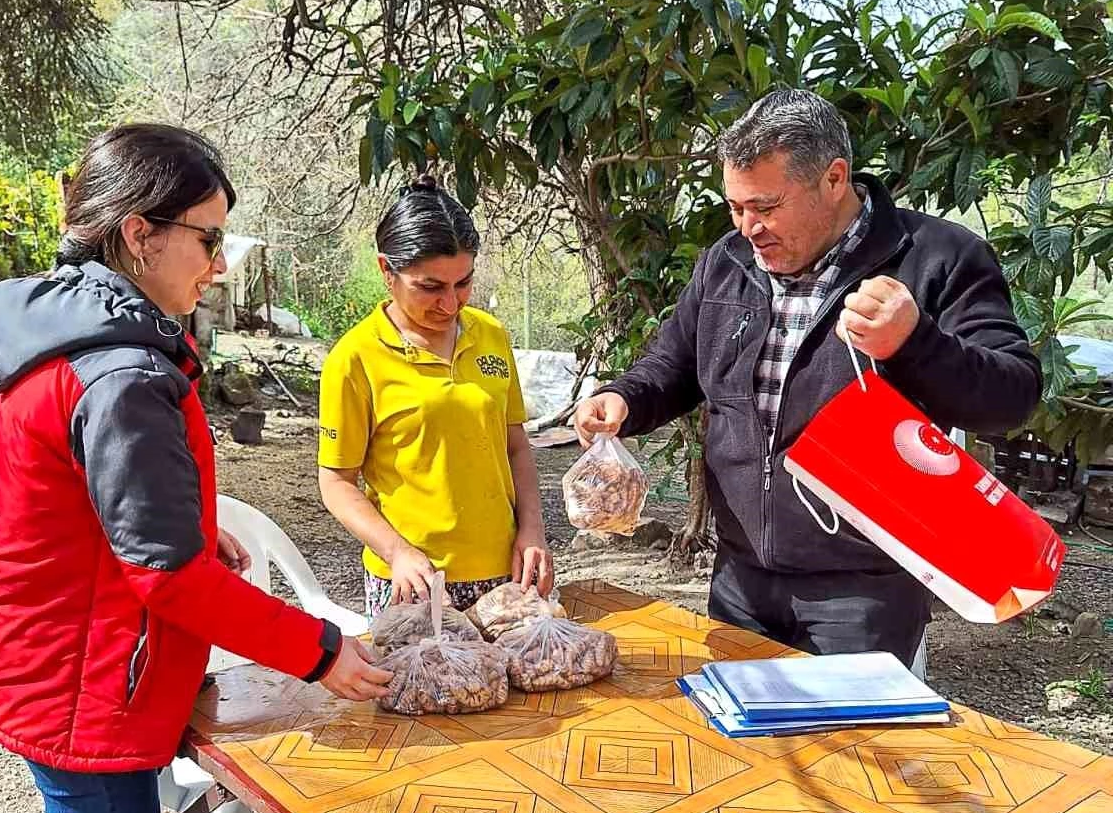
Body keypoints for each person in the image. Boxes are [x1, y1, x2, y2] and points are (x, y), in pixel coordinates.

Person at [0, 122, 390, 813]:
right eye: (207, 239)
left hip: (61, 652)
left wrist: (196, 542)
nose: (217, 263)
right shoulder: (115, 367)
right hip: (79, 678)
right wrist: (320, 650)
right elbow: (161, 572)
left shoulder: (86, 333)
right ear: (140, 234)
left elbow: (125, 525)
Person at [575, 88, 1042, 664]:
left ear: (834, 179)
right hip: (740, 580)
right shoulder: (727, 262)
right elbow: (673, 362)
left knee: (856, 755)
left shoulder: (937, 258)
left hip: (865, 591)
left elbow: (1012, 397)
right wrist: (624, 397)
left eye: (766, 207)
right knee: (743, 752)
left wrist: (916, 343)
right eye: (735, 207)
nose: (748, 227)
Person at [318, 175, 553, 616]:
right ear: (386, 270)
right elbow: (335, 483)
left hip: (505, 573)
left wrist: (533, 531)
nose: (450, 304)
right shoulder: (354, 358)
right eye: (430, 288)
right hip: (415, 584)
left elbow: (515, 446)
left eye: (462, 283)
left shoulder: (491, 336)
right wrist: (397, 551)